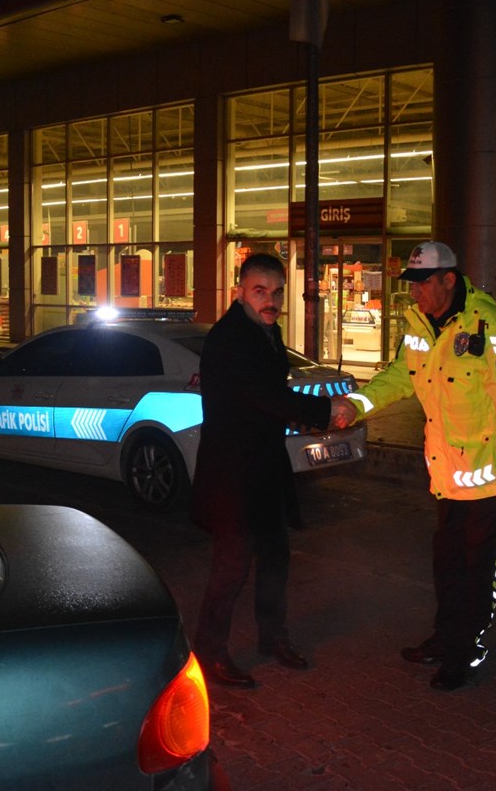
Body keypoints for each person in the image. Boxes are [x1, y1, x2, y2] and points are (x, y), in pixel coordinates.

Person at [331, 241, 496, 691]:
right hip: (447, 479)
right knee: (447, 568)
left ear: (448, 280)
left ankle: (465, 652)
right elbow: (399, 377)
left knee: (478, 574)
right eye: (412, 284)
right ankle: (445, 639)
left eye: (423, 283)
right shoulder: (419, 326)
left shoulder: (490, 327)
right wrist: (356, 404)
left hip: (490, 483)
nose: (415, 292)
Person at [192, 252, 348, 689]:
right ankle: (209, 652)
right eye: (260, 291)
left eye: (277, 292)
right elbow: (264, 396)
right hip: (232, 475)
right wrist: (324, 410)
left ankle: (272, 637)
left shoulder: (267, 332)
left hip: (263, 469)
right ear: (239, 292)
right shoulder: (229, 339)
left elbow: (270, 397)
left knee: (276, 557)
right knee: (232, 565)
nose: (271, 301)